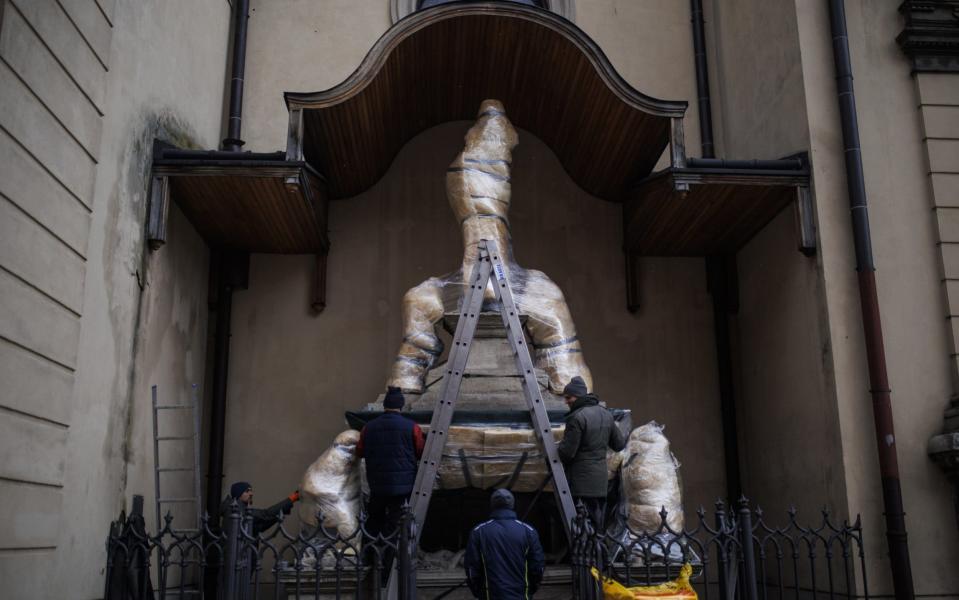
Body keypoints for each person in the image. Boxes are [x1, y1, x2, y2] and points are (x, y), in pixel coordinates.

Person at [355, 387, 425, 574]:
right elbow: (420, 451)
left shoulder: (368, 427)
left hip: (377, 485)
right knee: (395, 526)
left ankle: (368, 558)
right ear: (401, 406)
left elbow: (360, 451)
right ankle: (388, 566)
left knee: (374, 521)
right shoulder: (412, 427)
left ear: (385, 406)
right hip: (403, 488)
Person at [556, 375, 627, 532]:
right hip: (601, 483)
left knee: (581, 529)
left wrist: (557, 446)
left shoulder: (576, 417)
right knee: (596, 526)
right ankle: (597, 555)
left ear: (578, 396)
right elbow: (619, 444)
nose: (566, 401)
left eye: (568, 397)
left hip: (581, 484)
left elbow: (567, 453)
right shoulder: (606, 415)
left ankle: (585, 556)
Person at [465, 489, 546, 600]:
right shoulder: (528, 531)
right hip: (521, 596)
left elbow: (472, 570)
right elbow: (538, 568)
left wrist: (480, 593)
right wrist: (529, 590)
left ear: (492, 505)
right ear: (512, 505)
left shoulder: (478, 531)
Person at [220, 481, 300, 535]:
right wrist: (292, 498)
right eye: (247, 491)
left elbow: (258, 528)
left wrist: (278, 514)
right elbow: (265, 514)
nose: (251, 493)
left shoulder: (237, 508)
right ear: (239, 494)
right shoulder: (236, 509)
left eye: (251, 491)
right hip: (238, 556)